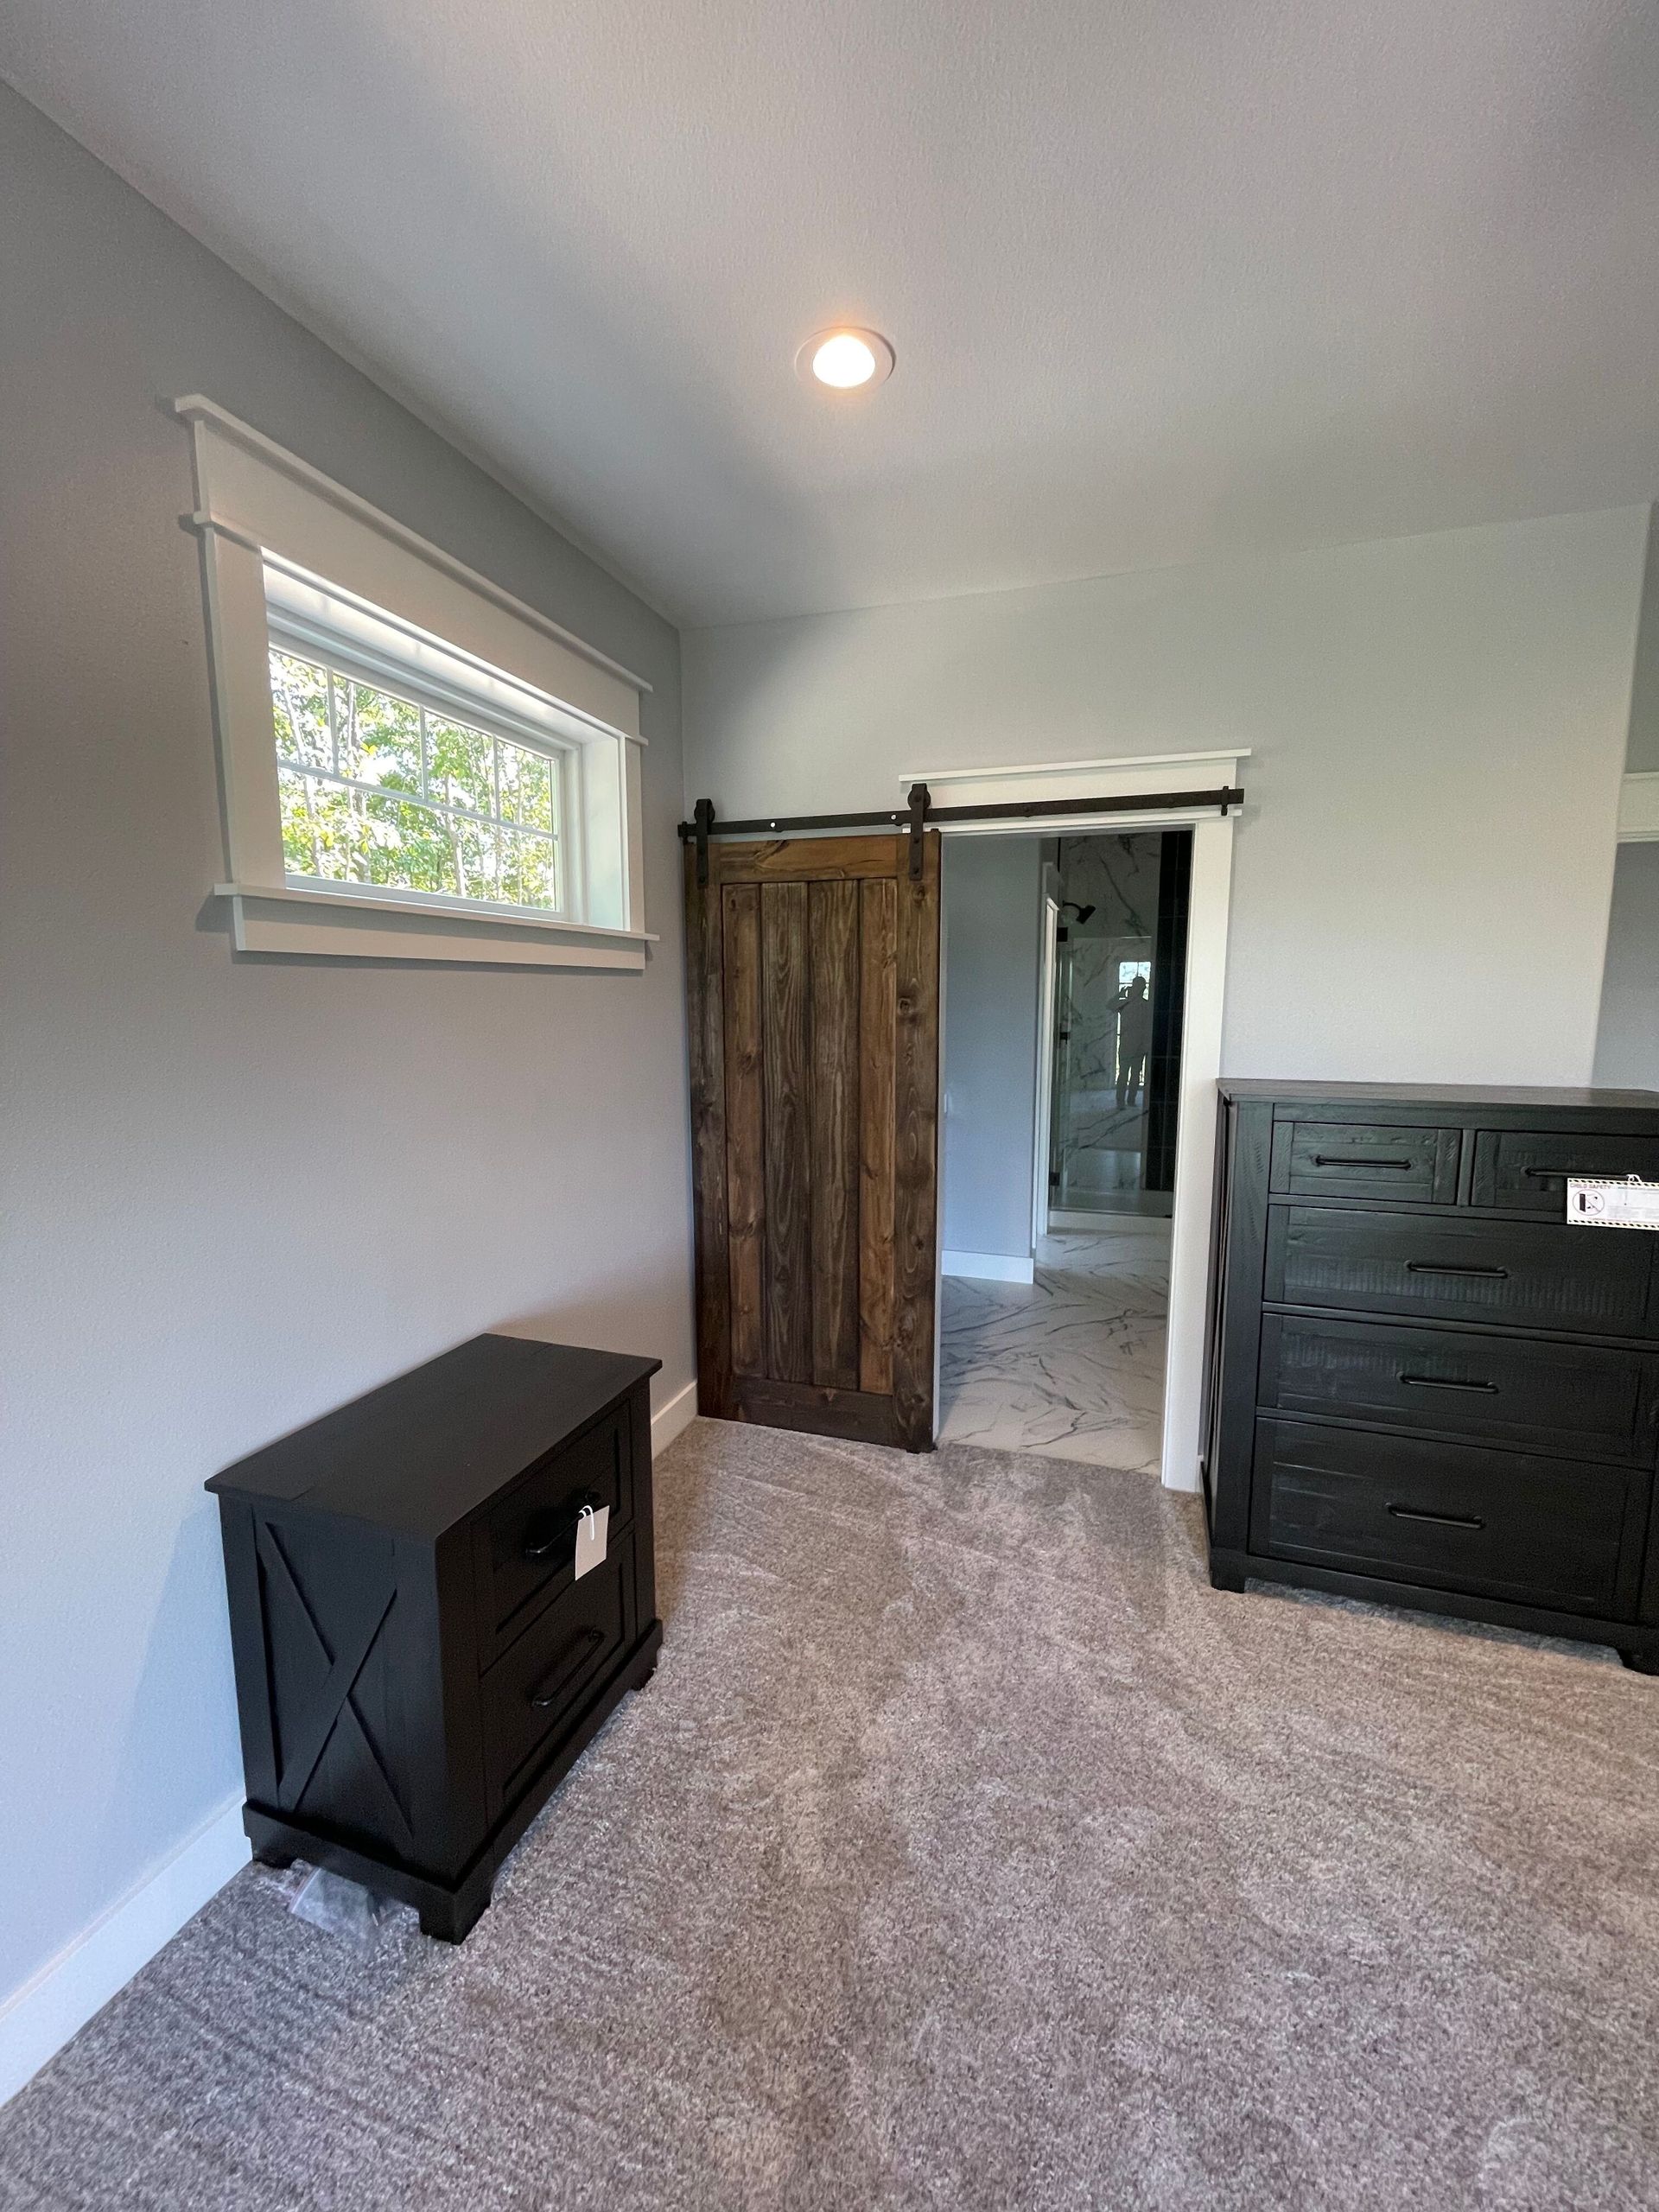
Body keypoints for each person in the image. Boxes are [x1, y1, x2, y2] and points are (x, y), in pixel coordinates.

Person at [1114, 975, 1151, 1108]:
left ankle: (1131, 1100)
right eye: (1136, 986)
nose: (1137, 989)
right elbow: (1109, 1006)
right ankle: (1120, 1101)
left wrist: (1146, 1044)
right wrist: (1120, 994)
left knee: (1135, 1074)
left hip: (1140, 1044)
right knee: (1123, 1073)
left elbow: (1148, 1026)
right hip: (1126, 1043)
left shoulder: (1146, 1005)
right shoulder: (1125, 1003)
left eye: (1140, 986)